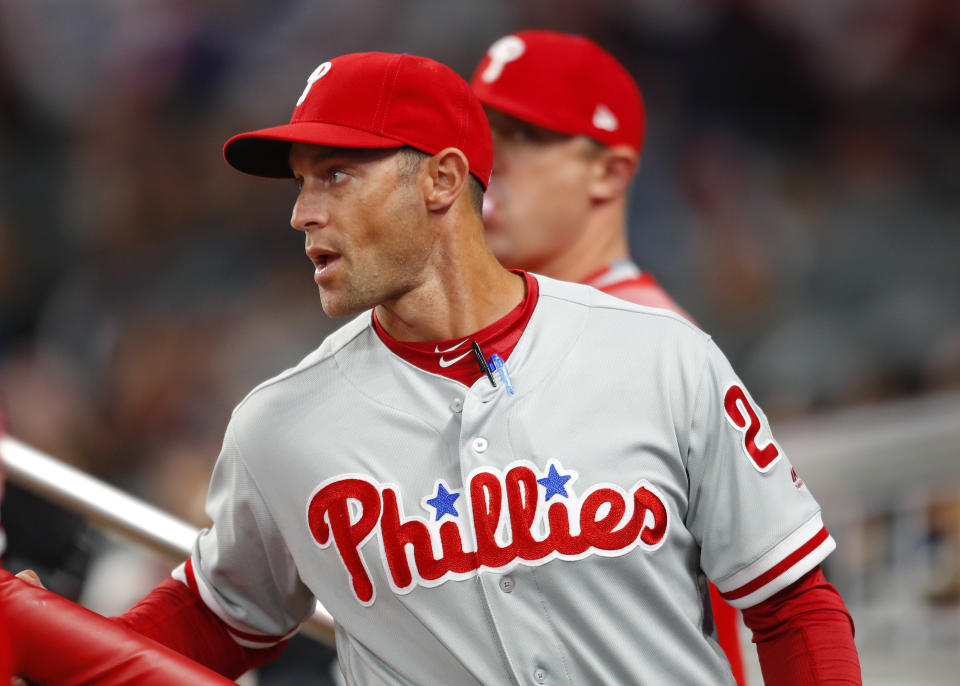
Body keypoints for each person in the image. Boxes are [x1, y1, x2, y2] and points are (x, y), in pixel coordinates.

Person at [12, 51, 861, 685]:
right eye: (302, 184)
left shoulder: (657, 355)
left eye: (338, 174)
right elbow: (215, 617)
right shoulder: (279, 425)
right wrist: (45, 641)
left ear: (443, 181)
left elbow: (791, 603)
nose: (304, 212)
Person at [468, 29, 747, 680]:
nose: (489, 161)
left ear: (610, 171)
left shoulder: (641, 342)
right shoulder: (521, 332)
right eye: (484, 133)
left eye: (526, 136)